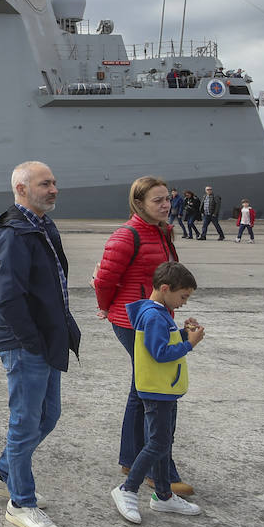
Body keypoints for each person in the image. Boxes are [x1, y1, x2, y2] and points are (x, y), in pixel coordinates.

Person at [0, 161, 80, 527]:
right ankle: (20, 503)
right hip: (25, 342)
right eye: (45, 184)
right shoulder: (14, 234)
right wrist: (32, 341)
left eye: (55, 182)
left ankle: (3, 475)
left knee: (48, 415)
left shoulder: (40, 224)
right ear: (22, 189)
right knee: (25, 423)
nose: (54, 189)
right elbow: (9, 298)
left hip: (45, 337)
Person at [92, 176, 193, 498]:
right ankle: (154, 469)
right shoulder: (127, 235)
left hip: (156, 318)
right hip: (134, 320)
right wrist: (106, 308)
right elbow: (104, 278)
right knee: (154, 389)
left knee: (141, 387)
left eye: (167, 198)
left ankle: (130, 458)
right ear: (139, 203)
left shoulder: (162, 231)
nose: (166, 205)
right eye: (157, 200)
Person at [110, 261, 205, 522]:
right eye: (182, 296)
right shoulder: (153, 316)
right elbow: (160, 353)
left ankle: (163, 496)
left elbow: (165, 343)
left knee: (164, 443)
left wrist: (185, 335)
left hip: (165, 389)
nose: (184, 302)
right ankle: (127, 489)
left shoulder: (159, 313)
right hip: (156, 391)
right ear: (165, 288)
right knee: (158, 443)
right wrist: (190, 345)